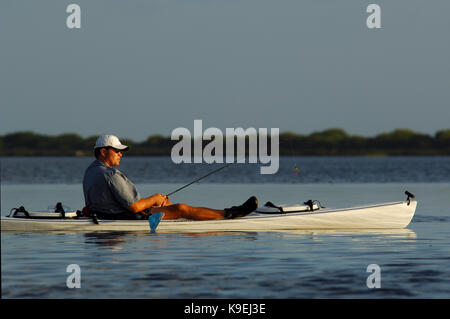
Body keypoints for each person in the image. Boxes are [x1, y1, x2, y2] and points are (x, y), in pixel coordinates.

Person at [82, 134, 258, 220]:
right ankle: (230, 214)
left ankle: (207, 215)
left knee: (167, 205)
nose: (121, 154)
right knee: (180, 208)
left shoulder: (90, 171)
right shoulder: (111, 174)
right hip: (126, 218)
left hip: (108, 215)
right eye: (117, 151)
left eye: (121, 152)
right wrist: (155, 198)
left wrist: (156, 202)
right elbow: (134, 207)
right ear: (103, 151)